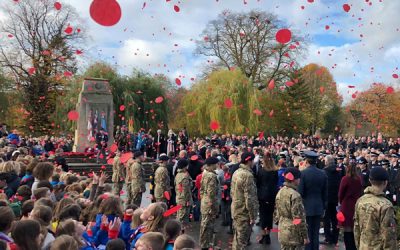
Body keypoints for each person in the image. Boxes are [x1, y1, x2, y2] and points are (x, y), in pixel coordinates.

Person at [354, 167, 397, 249]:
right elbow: (389, 236)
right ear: (385, 182)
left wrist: (359, 246)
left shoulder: (361, 200)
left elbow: (356, 228)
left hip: (363, 246)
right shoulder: (386, 205)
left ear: (370, 181)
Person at [298, 150, 327, 250]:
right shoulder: (322, 173)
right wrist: (323, 207)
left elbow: (300, 192)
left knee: (308, 233)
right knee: (315, 233)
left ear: (307, 161)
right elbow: (325, 192)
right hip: (318, 206)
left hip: (307, 206)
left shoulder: (303, 174)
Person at [274, 167, 309, 250]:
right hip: (293, 234)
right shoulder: (295, 195)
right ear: (295, 180)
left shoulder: (280, 191)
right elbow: (298, 219)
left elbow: (276, 212)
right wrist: (305, 236)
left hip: (282, 229)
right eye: (299, 178)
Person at [230, 152, 259, 250]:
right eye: (253, 160)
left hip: (236, 209)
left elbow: (232, 192)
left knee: (237, 240)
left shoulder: (236, 172)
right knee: (241, 242)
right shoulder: (248, 175)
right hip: (244, 212)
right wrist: (252, 216)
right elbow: (249, 198)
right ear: (249, 161)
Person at [338, 162, 362, 250]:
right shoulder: (359, 179)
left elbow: (341, 193)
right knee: (354, 228)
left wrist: (341, 202)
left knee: (347, 229)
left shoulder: (345, 179)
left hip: (346, 205)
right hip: (356, 204)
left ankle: (349, 247)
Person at [256, 152, 278, 245]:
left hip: (262, 196)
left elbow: (258, 183)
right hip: (272, 195)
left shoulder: (261, 171)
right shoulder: (275, 171)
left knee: (263, 215)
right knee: (269, 215)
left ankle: (264, 235)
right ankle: (267, 235)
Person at [322, 155, 344, 245]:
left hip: (327, 198)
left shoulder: (324, 172)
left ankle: (328, 238)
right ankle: (335, 238)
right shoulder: (339, 171)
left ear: (327, 162)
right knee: (335, 219)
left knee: (326, 220)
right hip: (335, 198)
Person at [199, 157, 219, 250]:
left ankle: (206, 243)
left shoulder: (205, 173)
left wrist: (204, 199)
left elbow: (202, 189)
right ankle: (205, 245)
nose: (217, 165)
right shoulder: (211, 176)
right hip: (210, 203)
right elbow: (211, 192)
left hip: (205, 201)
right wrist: (211, 203)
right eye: (216, 164)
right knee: (207, 224)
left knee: (205, 224)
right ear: (211, 165)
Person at [174, 159, 192, 225]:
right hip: (184, 200)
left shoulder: (178, 174)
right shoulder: (185, 176)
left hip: (179, 198)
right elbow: (185, 190)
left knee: (180, 216)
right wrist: (187, 200)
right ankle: (180, 232)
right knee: (182, 218)